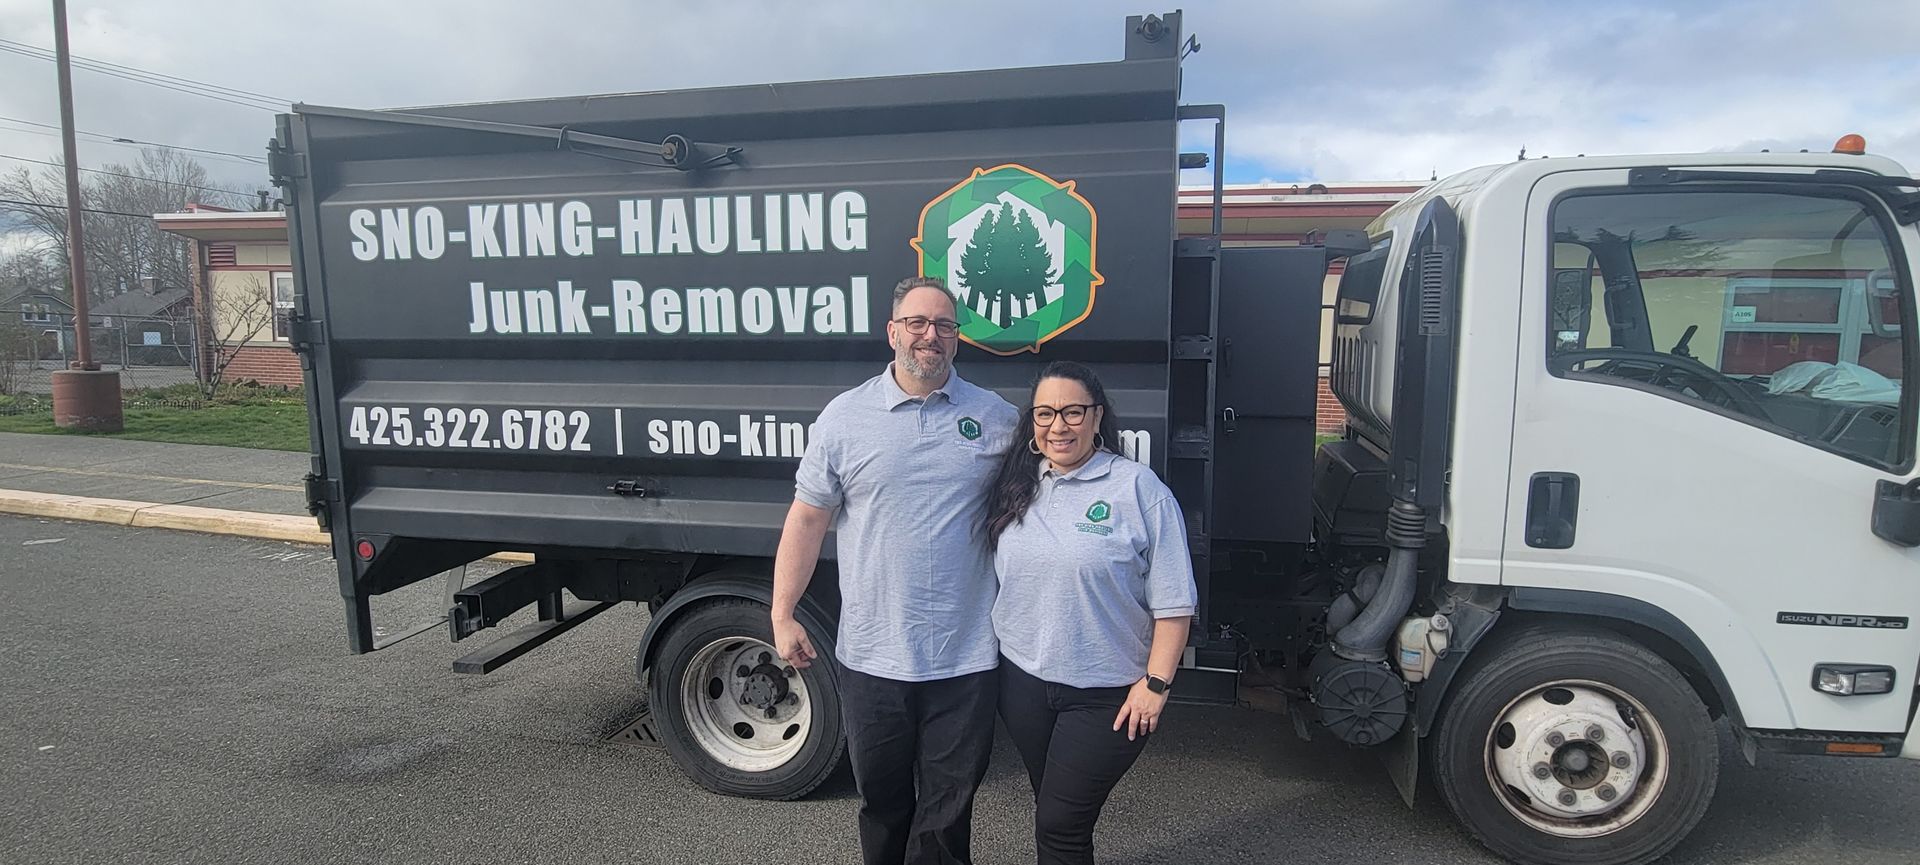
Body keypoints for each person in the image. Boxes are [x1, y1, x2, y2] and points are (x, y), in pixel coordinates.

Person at [770, 275, 1019, 865]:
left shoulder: (998, 418)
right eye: (917, 323)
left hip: (965, 656)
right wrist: (782, 613)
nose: (931, 335)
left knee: (948, 809)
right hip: (873, 656)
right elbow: (807, 519)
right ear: (893, 332)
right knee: (882, 803)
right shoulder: (844, 418)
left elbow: (1043, 499)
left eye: (944, 325)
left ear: (957, 337)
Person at [983, 360, 1197, 865]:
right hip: (1023, 685)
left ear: (1097, 416)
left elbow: (1175, 603)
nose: (1058, 426)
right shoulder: (1018, 484)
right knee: (1056, 812)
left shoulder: (1139, 490)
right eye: (1045, 413)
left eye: (1072, 412)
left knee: (1060, 823)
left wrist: (1156, 685)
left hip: (1107, 695)